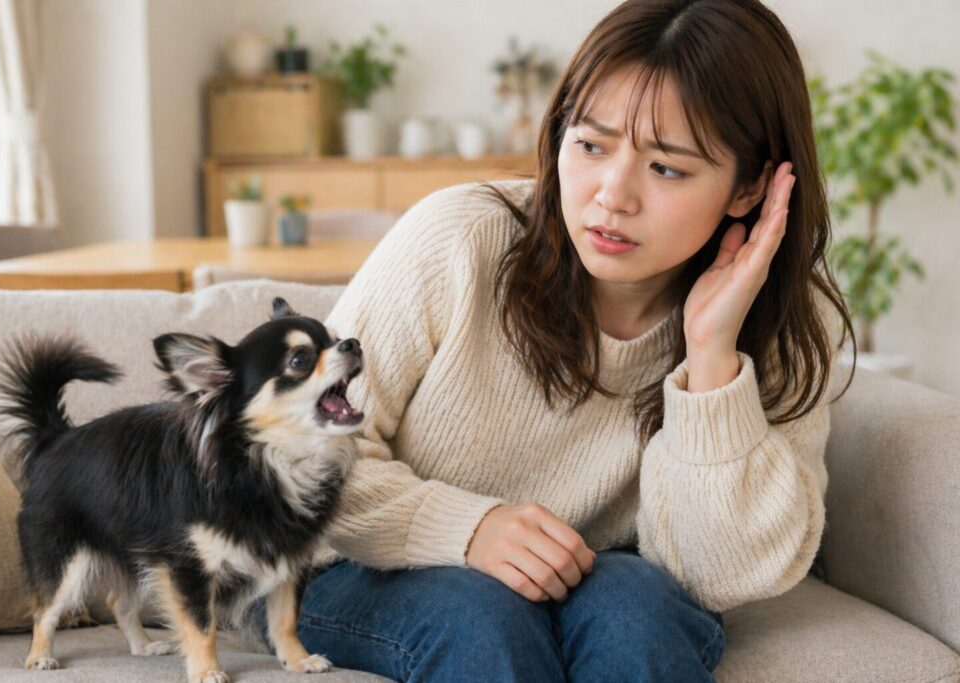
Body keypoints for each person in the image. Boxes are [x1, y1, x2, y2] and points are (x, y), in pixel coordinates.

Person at [250, 0, 855, 680]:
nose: (611, 195)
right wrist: (466, 528)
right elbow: (290, 455)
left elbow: (723, 576)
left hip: (592, 578)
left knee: (637, 608)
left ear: (747, 187)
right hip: (354, 560)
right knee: (481, 615)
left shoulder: (782, 325)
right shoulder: (460, 239)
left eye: (667, 169)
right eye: (590, 145)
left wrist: (712, 358)